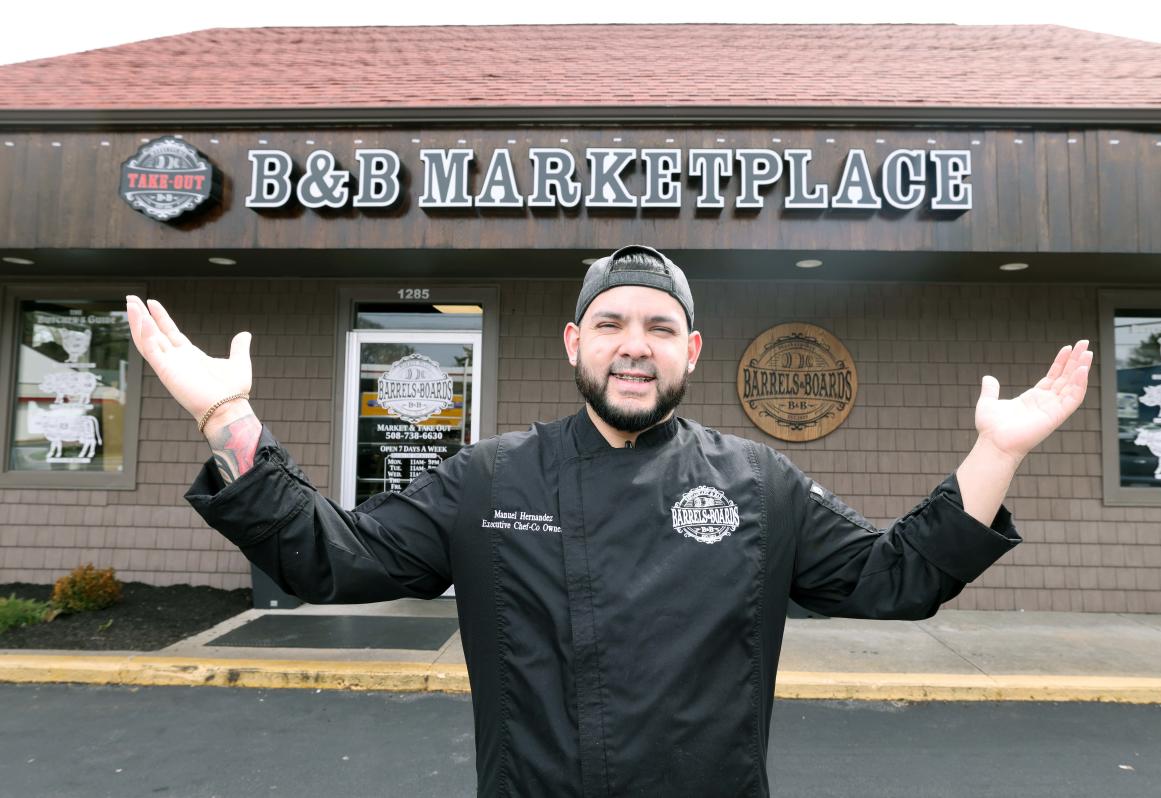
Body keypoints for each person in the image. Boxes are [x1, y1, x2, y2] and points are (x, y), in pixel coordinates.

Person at [124, 244, 1092, 797]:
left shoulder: (759, 482)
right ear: (573, 341)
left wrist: (997, 449)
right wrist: (226, 419)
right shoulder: (490, 477)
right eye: (614, 324)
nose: (636, 347)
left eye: (660, 328)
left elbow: (897, 578)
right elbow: (330, 561)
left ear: (693, 351)